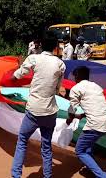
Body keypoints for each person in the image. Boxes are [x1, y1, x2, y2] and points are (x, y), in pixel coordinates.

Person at [11, 36, 66, 178]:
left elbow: (19, 74)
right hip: (50, 112)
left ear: (40, 45)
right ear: (55, 47)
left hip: (34, 111)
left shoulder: (34, 58)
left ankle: (15, 175)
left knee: (22, 140)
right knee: (46, 146)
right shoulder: (60, 64)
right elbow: (57, 89)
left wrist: (11, 77)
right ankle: (48, 176)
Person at [66, 66, 106, 178]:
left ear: (77, 76)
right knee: (88, 145)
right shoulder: (96, 86)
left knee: (80, 151)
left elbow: (72, 109)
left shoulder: (76, 89)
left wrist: (70, 119)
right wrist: (82, 115)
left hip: (95, 125)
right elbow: (95, 105)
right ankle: (89, 167)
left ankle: (101, 176)